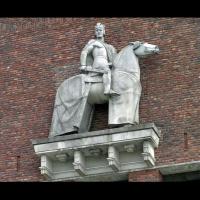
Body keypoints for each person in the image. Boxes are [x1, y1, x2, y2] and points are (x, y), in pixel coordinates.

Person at [80, 23, 119, 95]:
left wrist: (111, 63)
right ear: (95, 32)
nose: (98, 32)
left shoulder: (109, 46)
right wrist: (83, 65)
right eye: (97, 30)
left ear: (104, 32)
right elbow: (85, 52)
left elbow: (113, 60)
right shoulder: (94, 42)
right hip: (98, 64)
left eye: (100, 30)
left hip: (105, 64)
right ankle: (107, 90)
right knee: (107, 71)